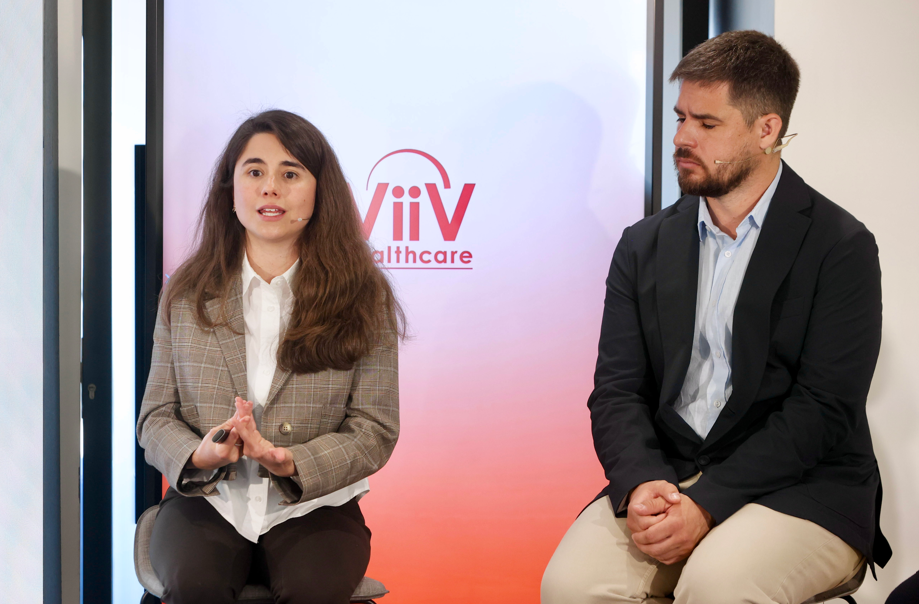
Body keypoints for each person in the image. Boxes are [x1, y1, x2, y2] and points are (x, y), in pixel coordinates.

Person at [541, 30, 891, 604]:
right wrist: (642, 482)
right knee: (571, 587)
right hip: (670, 473)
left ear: (767, 129)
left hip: (802, 485)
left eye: (706, 125)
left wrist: (709, 502)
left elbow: (825, 408)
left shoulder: (840, 246)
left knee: (716, 589)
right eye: (680, 118)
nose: (681, 138)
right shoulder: (643, 244)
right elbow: (617, 390)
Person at [137, 109, 404, 604]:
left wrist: (291, 462)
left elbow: (375, 427)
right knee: (195, 587)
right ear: (230, 187)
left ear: (320, 190)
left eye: (291, 173)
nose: (270, 188)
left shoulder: (363, 295)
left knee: (312, 590)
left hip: (317, 504)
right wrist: (200, 456)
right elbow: (155, 418)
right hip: (209, 500)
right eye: (254, 171)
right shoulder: (187, 293)